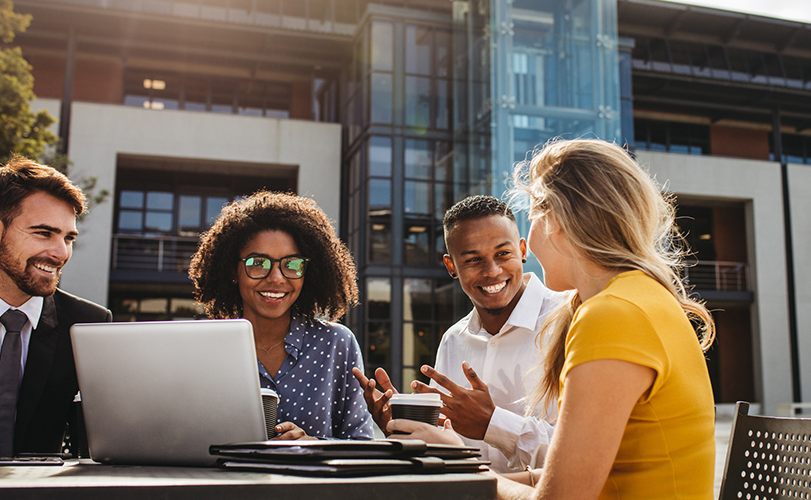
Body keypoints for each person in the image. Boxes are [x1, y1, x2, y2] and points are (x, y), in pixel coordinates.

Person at [394, 140, 718, 500]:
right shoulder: (638, 298)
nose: (530, 240)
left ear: (557, 222)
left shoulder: (610, 316)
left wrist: (457, 462)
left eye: (532, 216)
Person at [353, 195, 567, 472]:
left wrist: (493, 424)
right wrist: (404, 428)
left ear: (522, 250)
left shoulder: (568, 319)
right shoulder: (453, 340)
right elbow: (447, 449)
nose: (492, 271)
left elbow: (588, 455)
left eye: (503, 253)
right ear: (451, 266)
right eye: (473, 260)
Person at [189, 191, 373, 440]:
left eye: (292, 264)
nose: (276, 278)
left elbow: (362, 443)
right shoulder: (203, 349)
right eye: (258, 263)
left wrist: (314, 446)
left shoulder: (336, 344)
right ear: (234, 270)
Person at [0, 156, 112, 457]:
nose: (61, 253)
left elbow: (107, 436)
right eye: (43, 233)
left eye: (68, 237)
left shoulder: (87, 325)